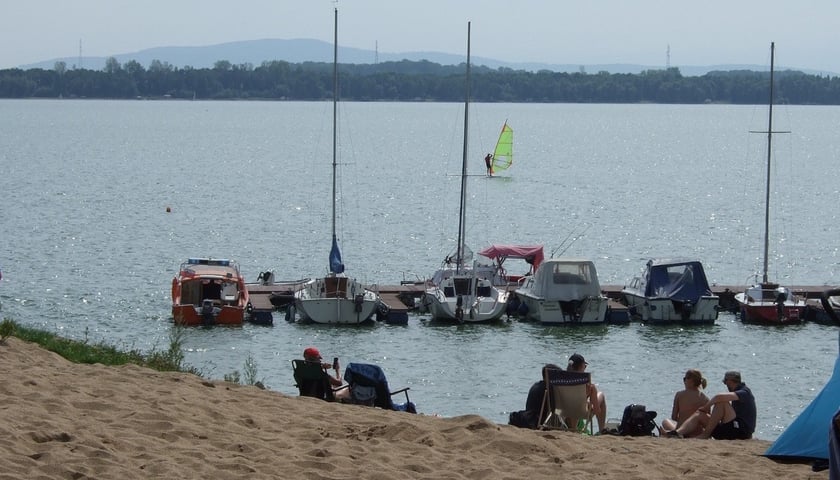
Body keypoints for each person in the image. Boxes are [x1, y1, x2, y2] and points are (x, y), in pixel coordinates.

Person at [668, 370, 756, 440]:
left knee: (722, 402)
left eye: (725, 381)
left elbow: (719, 397)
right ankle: (677, 433)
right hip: (729, 431)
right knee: (699, 414)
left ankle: (705, 435)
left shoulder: (745, 392)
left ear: (730, 381)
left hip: (740, 432)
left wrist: (707, 407)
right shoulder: (736, 394)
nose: (725, 384)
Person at [509, 363, 561, 429]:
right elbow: (555, 410)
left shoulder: (536, 385)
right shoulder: (548, 389)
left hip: (529, 419)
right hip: (538, 421)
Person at [661, 369, 709, 437]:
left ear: (690, 381)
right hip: (697, 432)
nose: (684, 381)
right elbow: (707, 420)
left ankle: (671, 433)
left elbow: (674, 417)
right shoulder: (705, 399)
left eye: (684, 379)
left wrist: (683, 420)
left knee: (665, 421)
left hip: (681, 430)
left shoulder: (679, 395)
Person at [567, 353, 607, 433]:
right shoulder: (587, 384)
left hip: (561, 410)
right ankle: (601, 431)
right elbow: (597, 411)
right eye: (584, 366)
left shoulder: (559, 380)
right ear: (581, 367)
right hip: (579, 412)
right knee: (601, 395)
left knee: (576, 404)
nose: (585, 368)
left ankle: (573, 429)